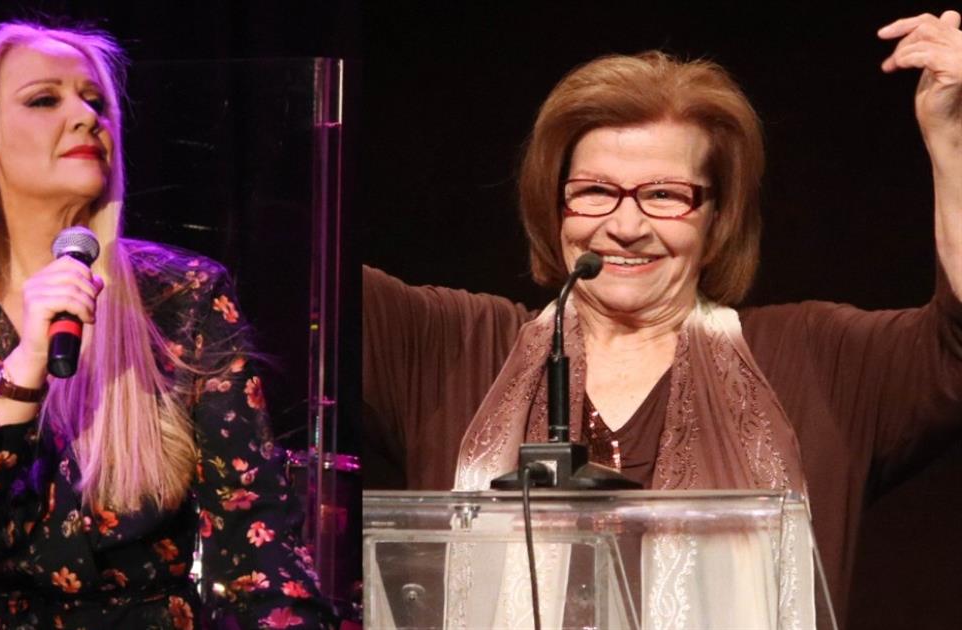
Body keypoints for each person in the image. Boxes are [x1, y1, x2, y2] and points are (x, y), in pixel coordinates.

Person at [363, 10, 962, 625]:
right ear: (556, 204)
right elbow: (306, 259)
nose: (626, 226)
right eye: (595, 191)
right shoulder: (452, 349)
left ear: (716, 218)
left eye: (665, 195)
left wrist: (953, 136)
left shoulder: (817, 362)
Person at [0, 22, 331, 629]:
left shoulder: (183, 296)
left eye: (96, 101)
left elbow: (257, 546)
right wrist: (25, 363)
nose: (86, 117)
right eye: (44, 99)